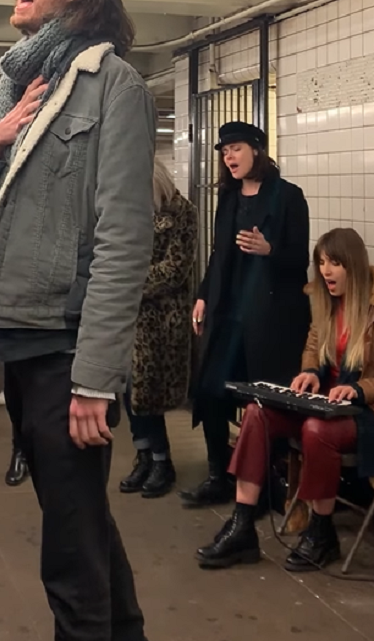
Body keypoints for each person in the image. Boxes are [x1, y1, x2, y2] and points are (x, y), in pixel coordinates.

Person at [0, 0, 154, 641]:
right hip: (23, 340)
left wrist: (95, 379)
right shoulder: (23, 87)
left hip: (66, 350)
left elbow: (124, 238)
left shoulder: (115, 88)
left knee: (70, 560)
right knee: (86, 531)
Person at [197, 227, 374, 571]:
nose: (325, 271)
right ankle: (243, 523)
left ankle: (322, 534)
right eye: (321, 262)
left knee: (315, 430)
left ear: (353, 265)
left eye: (334, 263)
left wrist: (360, 388)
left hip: (363, 412)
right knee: (256, 412)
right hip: (324, 402)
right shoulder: (325, 303)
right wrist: (309, 371)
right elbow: (312, 347)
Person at [180, 121, 311, 509]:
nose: (229, 157)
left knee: (263, 403)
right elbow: (219, 254)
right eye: (223, 152)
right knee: (211, 392)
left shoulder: (287, 197)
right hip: (228, 313)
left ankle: (265, 484)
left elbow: (300, 261)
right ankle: (219, 475)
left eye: (235, 149)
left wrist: (269, 251)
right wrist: (204, 295)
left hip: (270, 319)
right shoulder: (229, 198)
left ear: (257, 149)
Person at [120, 158, 197, 499]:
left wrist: (128, 282)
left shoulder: (182, 212)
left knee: (148, 393)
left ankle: (161, 460)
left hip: (161, 319)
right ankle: (143, 454)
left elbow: (175, 269)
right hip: (128, 317)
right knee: (128, 389)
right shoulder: (130, 211)